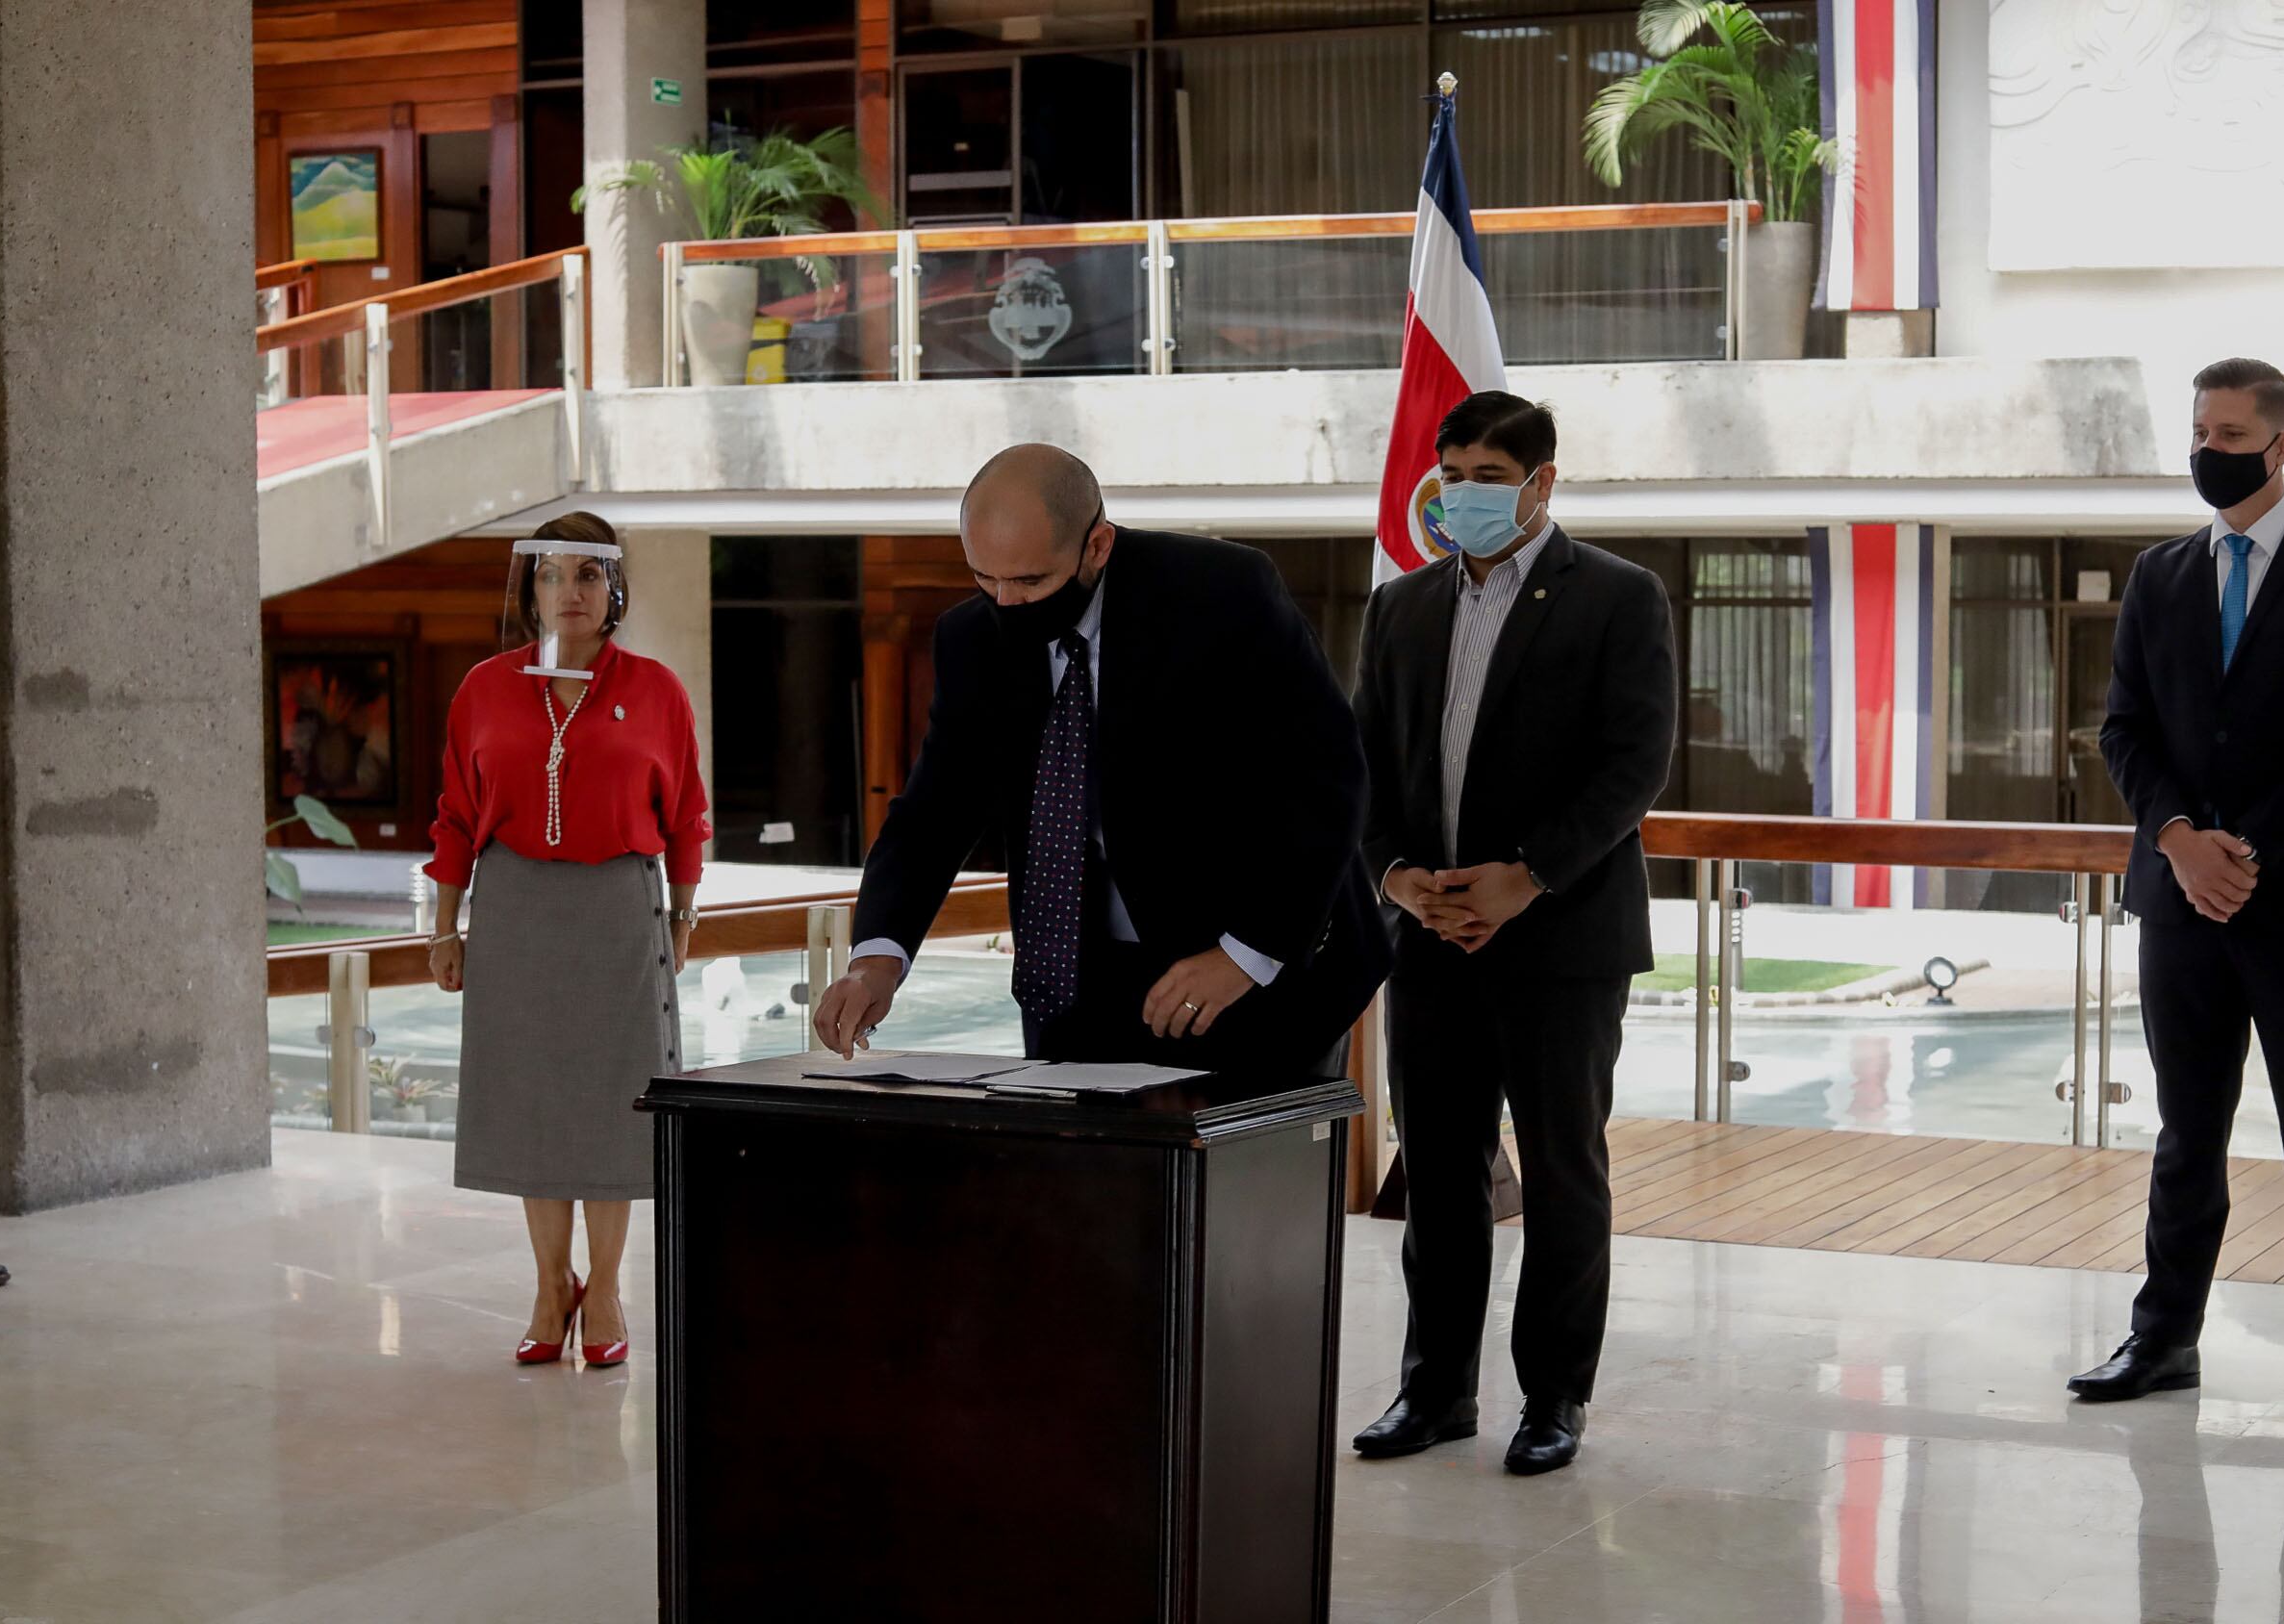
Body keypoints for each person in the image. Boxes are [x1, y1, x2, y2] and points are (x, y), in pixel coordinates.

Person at [813, 444, 1386, 1074]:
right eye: (984, 577)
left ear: (1097, 545)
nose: (1006, 602)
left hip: (1255, 960)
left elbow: (1328, 777)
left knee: (1239, 1137)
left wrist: (1244, 955)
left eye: (1030, 581)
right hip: (1078, 983)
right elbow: (934, 811)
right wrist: (876, 960)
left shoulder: (1222, 593)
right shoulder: (971, 639)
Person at [1345, 393, 1677, 1478]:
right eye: (1452, 474)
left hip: (1561, 940)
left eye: (1488, 475)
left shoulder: (1619, 595)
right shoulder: (1399, 606)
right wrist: (1396, 875)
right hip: (1429, 937)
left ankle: (1554, 1397)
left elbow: (1635, 764)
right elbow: (1365, 767)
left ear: (1542, 482)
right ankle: (1435, 1389)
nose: (1464, 493)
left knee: (1563, 1173)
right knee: (1440, 1174)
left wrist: (1526, 877)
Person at [2078, 357, 2284, 1430]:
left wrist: (2243, 848)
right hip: (2179, 896)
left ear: (2281, 444)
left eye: (2227, 435)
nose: (2206, 452)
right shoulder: (2158, 573)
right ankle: (2164, 1336)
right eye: (2199, 432)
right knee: (2186, 1129)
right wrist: (2179, 840)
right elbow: (2124, 729)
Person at [424, 513, 709, 1369]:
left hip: (620, 910)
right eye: (552, 573)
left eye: (588, 574)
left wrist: (683, 917)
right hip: (513, 910)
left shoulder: (655, 690)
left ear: (613, 589)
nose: (570, 591)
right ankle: (552, 1285)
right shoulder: (483, 688)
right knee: (534, 1103)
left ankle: (608, 1287)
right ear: (530, 589)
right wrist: (444, 928)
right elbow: (455, 817)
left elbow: (686, 816)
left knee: (615, 1103)